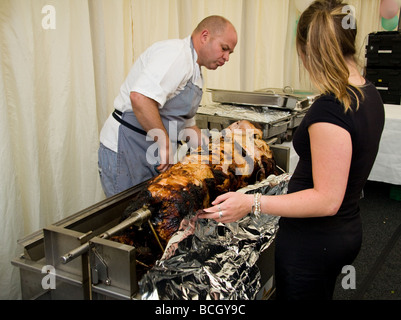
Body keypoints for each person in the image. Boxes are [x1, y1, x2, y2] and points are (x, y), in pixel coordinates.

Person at [199, 0, 385, 300]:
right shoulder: (367, 92)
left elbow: (326, 200)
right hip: (343, 232)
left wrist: (252, 204)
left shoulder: (333, 109)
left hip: (314, 242)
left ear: (306, 51)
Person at [98, 16, 238, 197]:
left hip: (150, 152)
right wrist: (164, 143)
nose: (226, 58)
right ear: (205, 36)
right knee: (128, 219)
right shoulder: (176, 55)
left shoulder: (195, 71)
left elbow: (186, 125)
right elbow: (140, 98)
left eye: (230, 53)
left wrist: (213, 154)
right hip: (127, 150)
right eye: (224, 49)